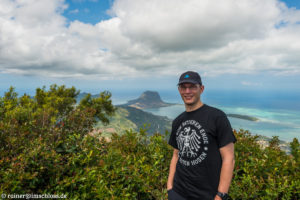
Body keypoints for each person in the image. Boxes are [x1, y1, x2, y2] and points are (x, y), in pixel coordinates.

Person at [167, 71, 236, 200]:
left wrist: (221, 195)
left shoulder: (217, 117)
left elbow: (229, 158)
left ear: (201, 89)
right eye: (183, 87)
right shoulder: (177, 121)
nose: (187, 91)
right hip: (178, 192)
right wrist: (170, 187)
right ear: (179, 90)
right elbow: (176, 155)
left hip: (207, 196)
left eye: (192, 87)